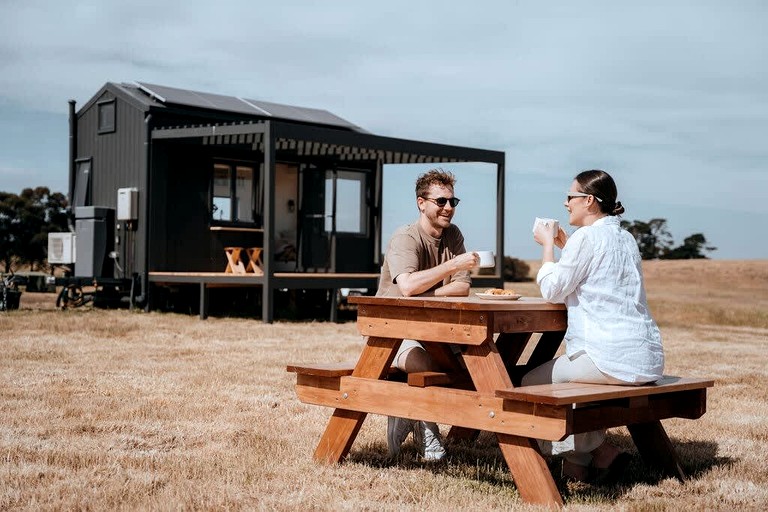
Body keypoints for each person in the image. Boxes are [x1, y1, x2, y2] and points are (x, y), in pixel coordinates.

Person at [526, 169, 664, 483]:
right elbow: (596, 275)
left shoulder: (587, 238)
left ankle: (601, 451)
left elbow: (552, 289)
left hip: (609, 359)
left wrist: (548, 245)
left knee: (528, 384)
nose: (565, 203)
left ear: (588, 200)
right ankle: (577, 470)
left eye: (571, 197)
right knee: (573, 389)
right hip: (645, 358)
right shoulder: (625, 238)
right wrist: (567, 246)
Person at [378, 168, 480, 461]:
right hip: (393, 334)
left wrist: (424, 293)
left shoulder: (453, 235)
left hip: (438, 331)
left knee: (481, 360)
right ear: (421, 203)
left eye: (453, 202)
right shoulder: (405, 238)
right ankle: (429, 432)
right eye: (441, 202)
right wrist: (450, 267)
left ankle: (407, 411)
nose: (449, 208)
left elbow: (462, 288)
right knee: (423, 362)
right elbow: (407, 285)